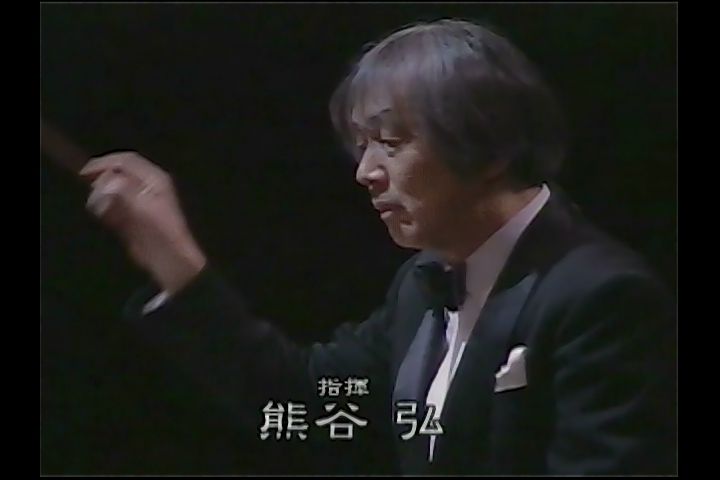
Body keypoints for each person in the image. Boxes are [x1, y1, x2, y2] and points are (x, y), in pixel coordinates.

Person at [79, 19, 676, 475]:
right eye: (363, 145)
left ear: (491, 148)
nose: (365, 172)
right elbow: (311, 405)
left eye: (390, 141)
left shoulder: (602, 297)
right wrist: (179, 265)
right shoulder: (425, 279)